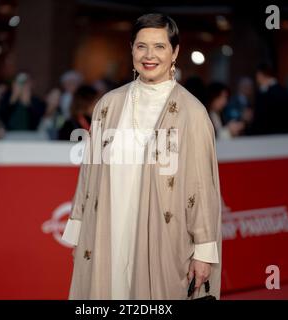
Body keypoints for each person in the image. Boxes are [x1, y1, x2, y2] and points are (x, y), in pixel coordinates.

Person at [61, 13, 222, 300]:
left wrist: (204, 251)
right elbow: (89, 173)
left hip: (163, 236)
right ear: (131, 49)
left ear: (175, 52)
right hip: (109, 228)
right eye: (141, 46)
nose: (149, 55)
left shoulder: (192, 113)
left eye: (159, 47)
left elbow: (201, 187)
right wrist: (80, 233)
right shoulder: (108, 105)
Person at [248, 63, 288, 135]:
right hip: (285, 138)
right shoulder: (285, 92)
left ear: (260, 75)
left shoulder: (263, 94)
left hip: (267, 138)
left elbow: (260, 121)